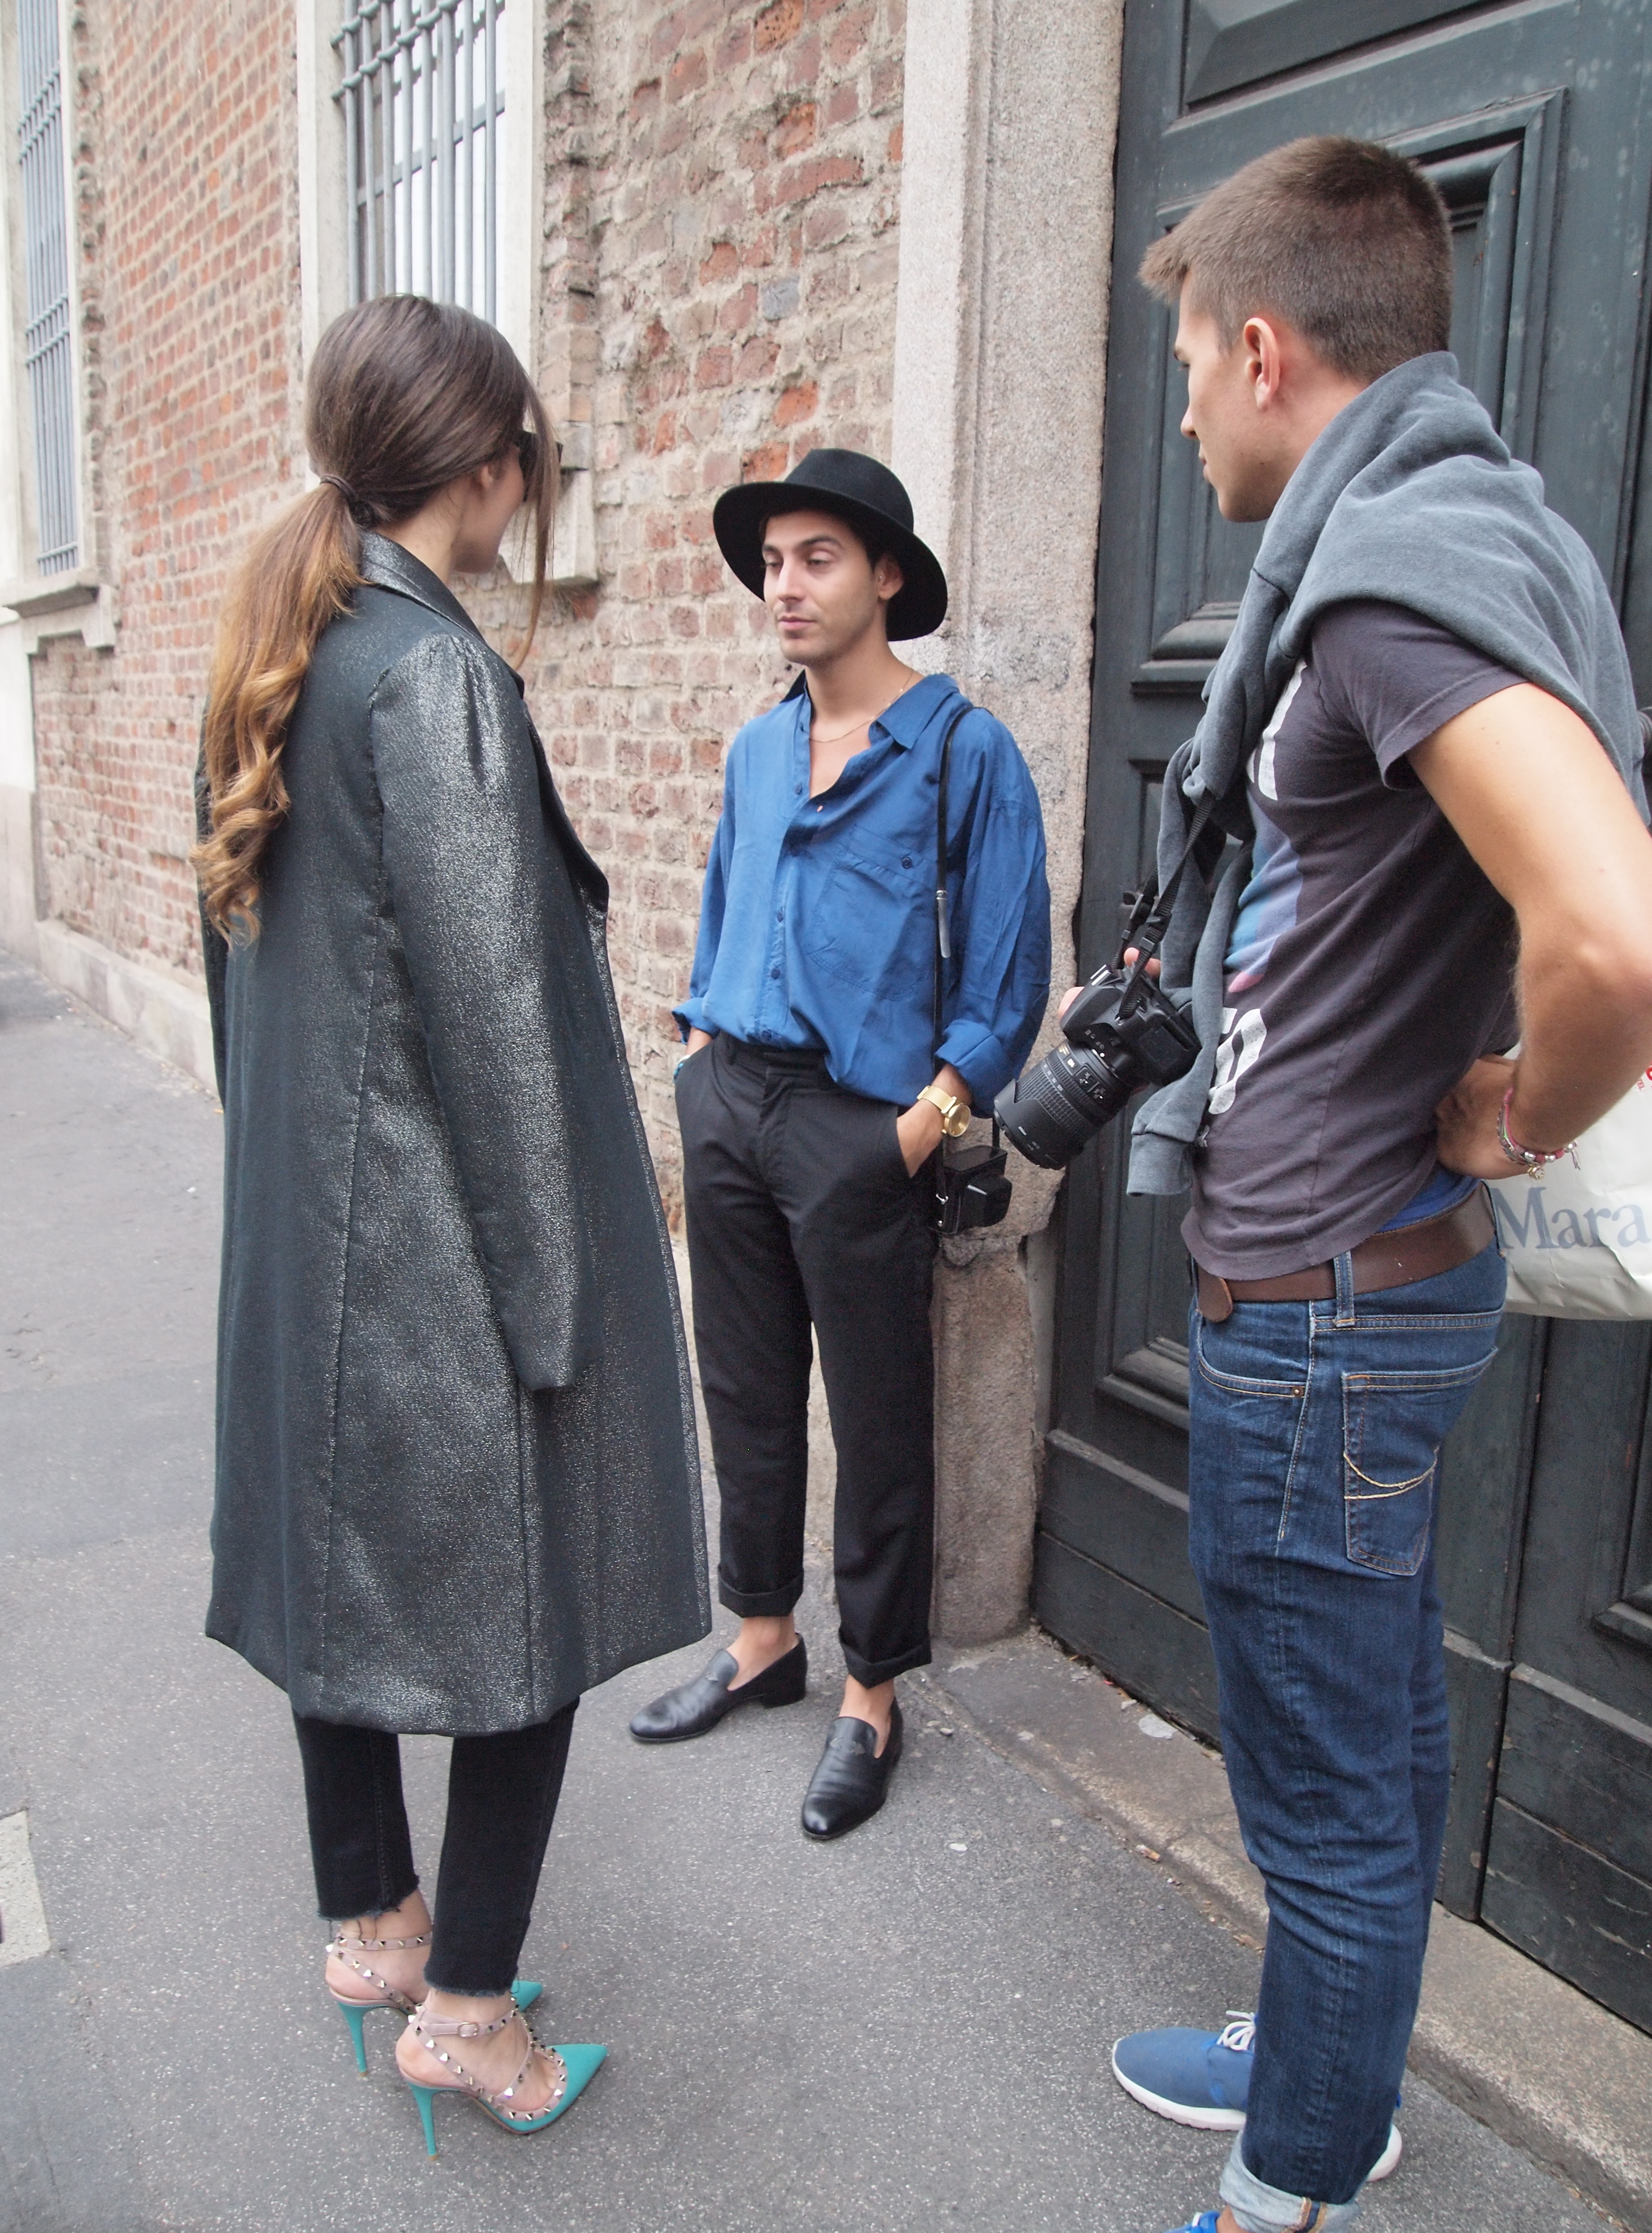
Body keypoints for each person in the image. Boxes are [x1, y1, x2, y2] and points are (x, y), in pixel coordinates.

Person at [1087, 140, 1652, 2233]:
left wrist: (1515, 1114)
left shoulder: (1395, 576)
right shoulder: (1431, 541)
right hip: (1353, 1288)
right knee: (1371, 1734)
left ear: (1261, 349)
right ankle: (1330, 2070)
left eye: (1182, 365)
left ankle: (1292, 2181)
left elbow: (1614, 939)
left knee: (1324, 1783)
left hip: (1326, 1304)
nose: (1179, 414)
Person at [194, 295, 708, 2155]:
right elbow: (501, 1035)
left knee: (338, 1596)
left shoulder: (277, 649)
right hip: (454, 1260)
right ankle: (469, 2019)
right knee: (532, 1620)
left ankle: (377, 1933)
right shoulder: (434, 677)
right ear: (490, 467)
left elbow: (234, 982)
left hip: (312, 1251)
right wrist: (560, 1311)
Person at [628, 450, 1051, 1838]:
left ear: (886, 576)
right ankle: (762, 1636)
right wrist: (700, 1063)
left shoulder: (964, 753)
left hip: (863, 1132)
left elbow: (1008, 982)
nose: (785, 586)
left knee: (876, 1421)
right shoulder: (759, 750)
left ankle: (872, 1691)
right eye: (772, 562)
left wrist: (921, 1129)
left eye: (816, 558)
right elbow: (720, 910)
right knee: (745, 1391)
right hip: (731, 1104)